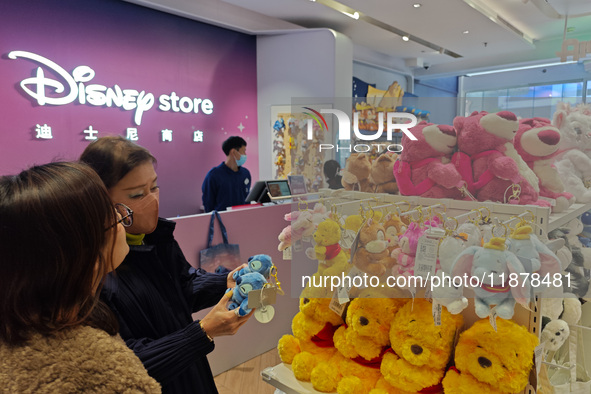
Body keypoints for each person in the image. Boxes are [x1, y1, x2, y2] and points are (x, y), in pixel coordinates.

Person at [80, 136, 251, 394]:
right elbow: (123, 365)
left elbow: (182, 284)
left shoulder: (157, 237)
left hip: (191, 374)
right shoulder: (93, 273)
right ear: (100, 201)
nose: (152, 200)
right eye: (138, 194)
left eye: (155, 187)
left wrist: (225, 281)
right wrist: (202, 333)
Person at [0, 162, 160, 393]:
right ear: (85, 254)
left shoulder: (24, 323)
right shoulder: (103, 371)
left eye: (154, 187)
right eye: (111, 214)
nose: (121, 216)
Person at [202, 136, 251, 212]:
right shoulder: (214, 175)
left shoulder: (245, 174)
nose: (245, 154)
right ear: (233, 152)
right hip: (221, 221)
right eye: (243, 151)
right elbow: (208, 204)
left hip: (243, 218)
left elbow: (247, 199)